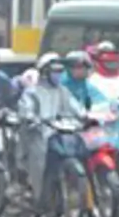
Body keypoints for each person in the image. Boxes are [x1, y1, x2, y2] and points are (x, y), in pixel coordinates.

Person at [16, 53, 85, 201]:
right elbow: (25, 111)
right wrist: (31, 118)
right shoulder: (32, 92)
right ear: (45, 72)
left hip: (59, 134)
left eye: (61, 71)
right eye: (55, 71)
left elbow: (76, 109)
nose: (58, 75)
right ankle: (37, 195)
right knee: (40, 161)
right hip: (38, 135)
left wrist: (87, 116)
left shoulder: (63, 91)